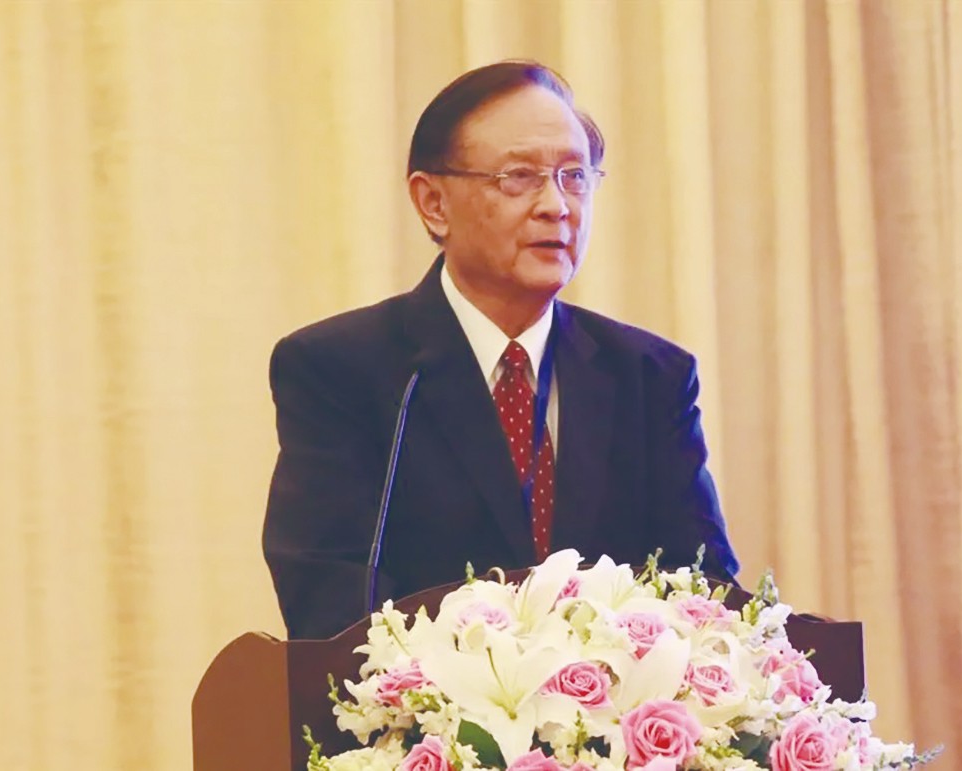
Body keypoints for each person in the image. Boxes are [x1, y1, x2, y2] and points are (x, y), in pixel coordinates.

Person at [263, 60, 739, 640]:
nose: (556, 205)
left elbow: (703, 592)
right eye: (519, 176)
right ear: (433, 203)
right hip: (424, 696)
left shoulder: (650, 376)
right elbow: (328, 598)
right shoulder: (342, 371)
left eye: (574, 176)